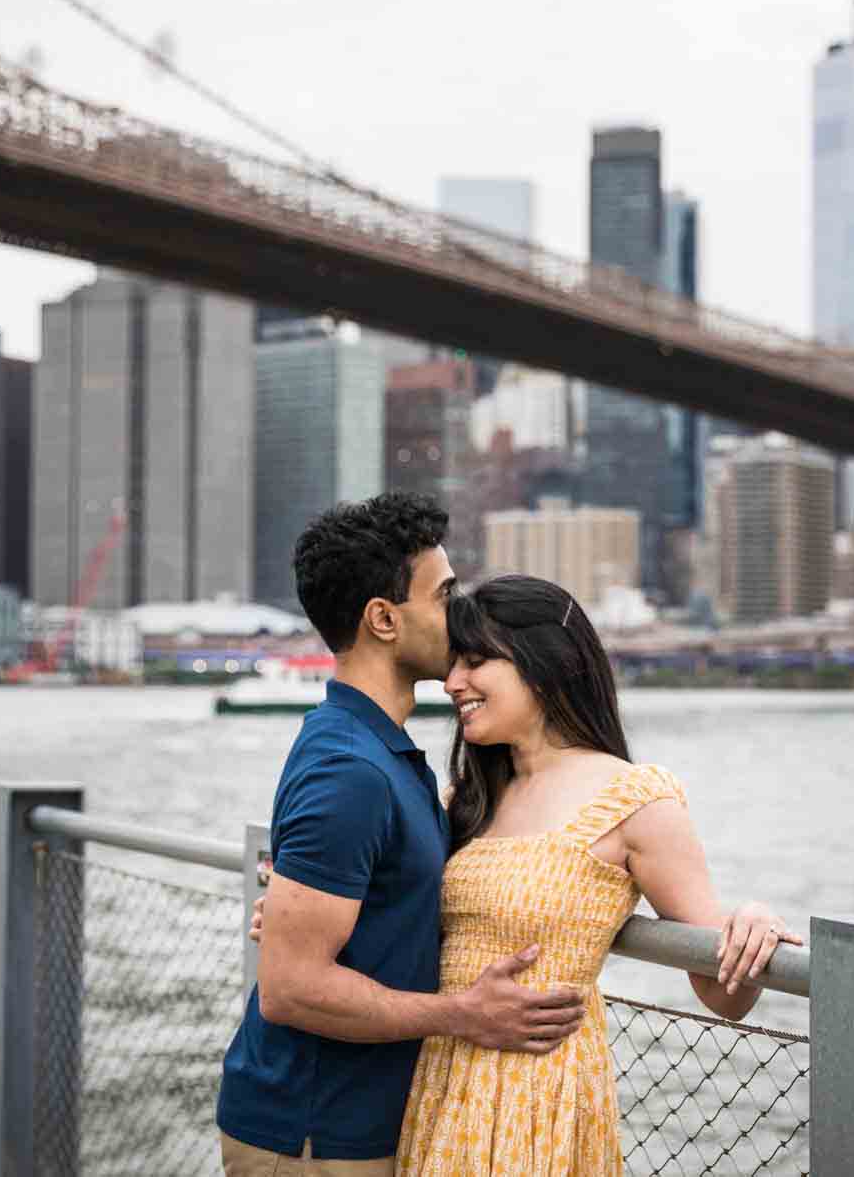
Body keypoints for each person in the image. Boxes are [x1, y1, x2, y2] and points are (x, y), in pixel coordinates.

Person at [218, 495, 587, 1176]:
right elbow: (290, 987)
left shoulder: (379, 753)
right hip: (312, 1137)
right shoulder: (349, 770)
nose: (461, 612)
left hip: (356, 1125)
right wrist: (465, 1013)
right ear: (383, 618)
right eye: (444, 593)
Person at [392, 574, 800, 1174]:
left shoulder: (635, 799)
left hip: (539, 1095)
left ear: (545, 662)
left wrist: (754, 924)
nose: (453, 682)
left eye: (476, 661)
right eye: (454, 663)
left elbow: (722, 994)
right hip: (438, 1079)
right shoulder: (465, 798)